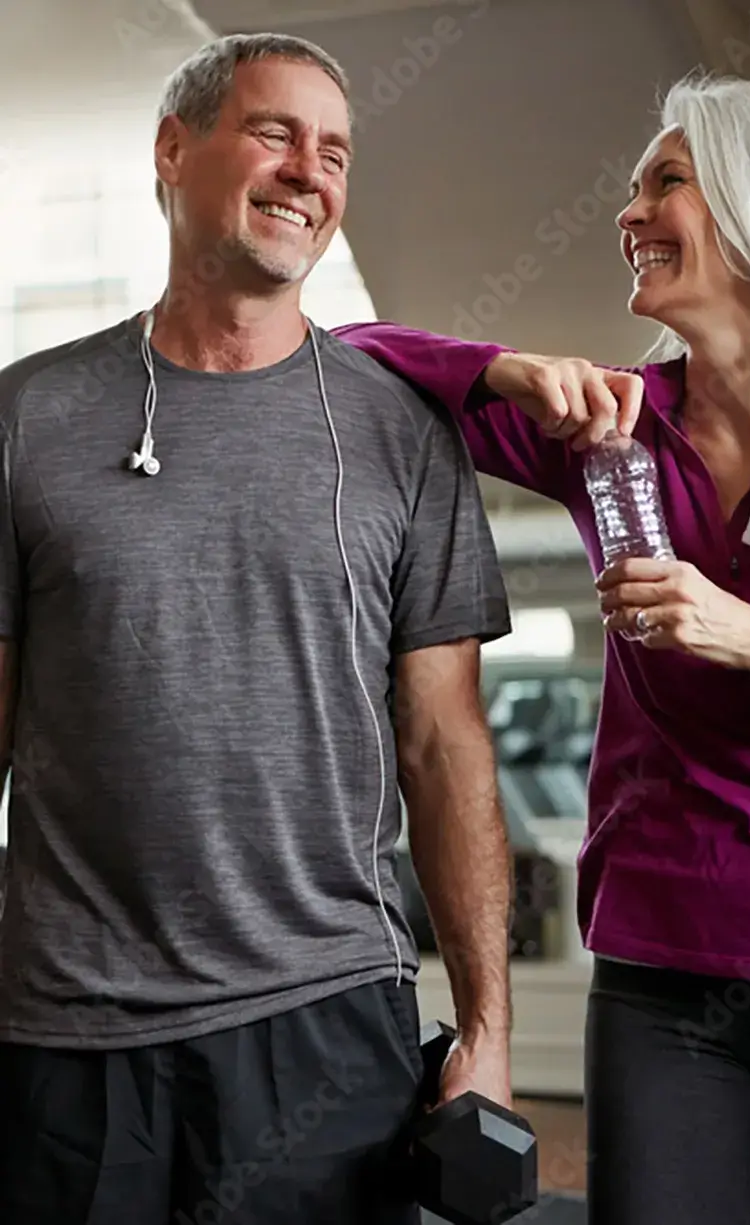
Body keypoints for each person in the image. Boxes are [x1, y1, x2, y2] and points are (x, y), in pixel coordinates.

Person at [337, 74, 750, 1225]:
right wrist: (502, 367)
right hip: (666, 976)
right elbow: (337, 355)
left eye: (665, 182)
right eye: (631, 187)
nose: (627, 212)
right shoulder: (614, 423)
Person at [0, 33, 515, 1225]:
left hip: (325, 1021)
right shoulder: (27, 418)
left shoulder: (400, 434)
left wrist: (487, 1031)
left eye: (334, 151)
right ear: (174, 151)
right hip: (67, 1035)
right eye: (275, 133)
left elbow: (446, 749)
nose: (309, 173)